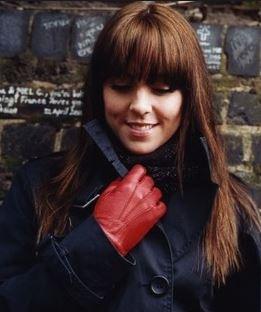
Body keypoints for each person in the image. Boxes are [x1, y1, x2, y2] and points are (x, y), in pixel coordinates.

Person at [0, 2, 260, 312]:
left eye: (161, 89)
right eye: (121, 86)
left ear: (188, 98)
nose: (139, 105)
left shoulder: (233, 206)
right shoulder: (39, 187)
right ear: (101, 91)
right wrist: (100, 241)